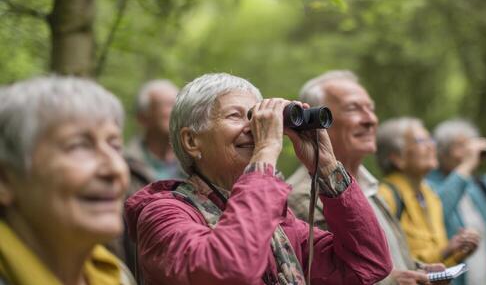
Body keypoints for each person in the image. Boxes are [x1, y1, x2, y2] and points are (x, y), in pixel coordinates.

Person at [125, 72, 392, 285]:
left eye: (255, 116)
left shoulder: (281, 225)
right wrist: (265, 153)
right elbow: (227, 270)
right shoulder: (162, 215)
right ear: (192, 141)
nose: (253, 128)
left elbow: (367, 264)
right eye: (235, 116)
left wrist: (326, 165)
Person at [288, 70, 446, 285]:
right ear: (315, 120)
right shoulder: (302, 195)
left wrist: (416, 269)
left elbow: (387, 260)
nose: (371, 120)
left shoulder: (371, 186)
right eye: (353, 109)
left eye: (370, 109)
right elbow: (332, 275)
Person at [0, 76, 135, 285]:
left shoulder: (115, 275)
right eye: (79, 146)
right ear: (5, 180)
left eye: (115, 146)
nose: (115, 169)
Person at [427, 119, 486, 285]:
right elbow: (434, 216)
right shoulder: (426, 186)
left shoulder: (480, 185)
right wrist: (466, 167)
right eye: (460, 146)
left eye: (470, 146)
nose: (469, 152)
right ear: (441, 152)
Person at [376, 117, 480, 266]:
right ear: (397, 158)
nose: (431, 146)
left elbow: (436, 266)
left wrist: (458, 252)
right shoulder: (385, 197)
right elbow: (386, 266)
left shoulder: (430, 195)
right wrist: (446, 251)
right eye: (420, 141)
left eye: (430, 140)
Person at [126, 79, 185, 182]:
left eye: (178, 104)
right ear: (142, 117)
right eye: (167, 104)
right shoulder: (125, 164)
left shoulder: (196, 161)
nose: (176, 111)